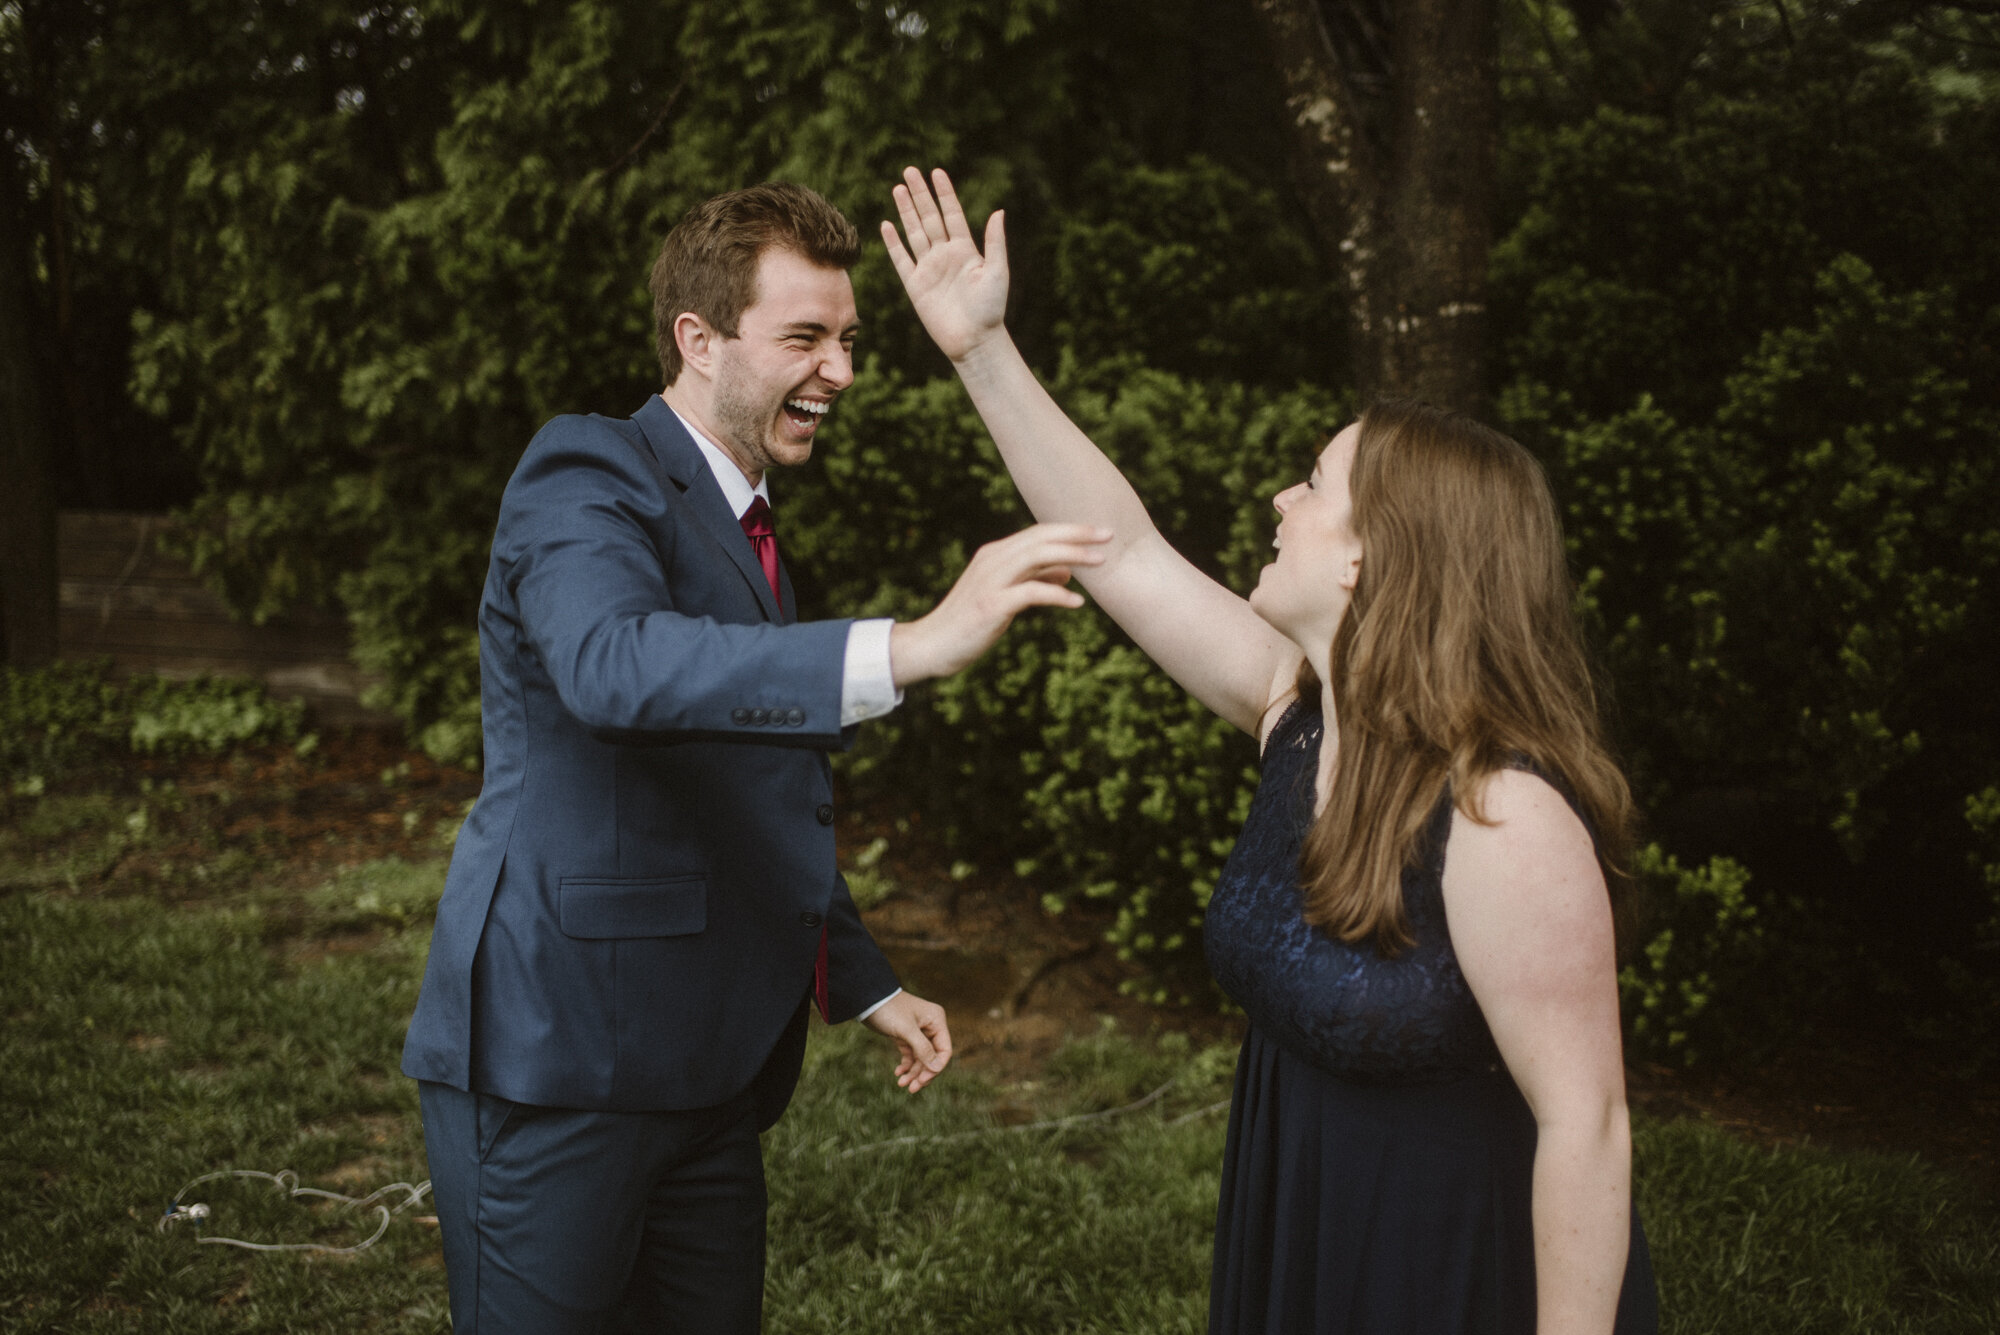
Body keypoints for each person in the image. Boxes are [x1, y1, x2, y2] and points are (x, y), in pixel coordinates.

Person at [882, 167, 1659, 1334]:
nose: (1278, 496)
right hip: (1300, 1225)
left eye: (1313, 484)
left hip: (1443, 1268)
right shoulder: (1297, 711)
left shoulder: (1500, 814)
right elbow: (1116, 548)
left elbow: (1586, 1124)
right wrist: (980, 350)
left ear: (1367, 560)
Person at [400, 180, 1108, 1333]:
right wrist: (916, 644)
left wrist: (858, 974)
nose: (840, 369)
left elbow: (741, 787)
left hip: (715, 1074)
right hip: (560, 1060)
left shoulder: (754, 531)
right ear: (699, 339)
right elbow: (613, 668)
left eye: (847, 340)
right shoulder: (585, 471)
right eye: (805, 338)